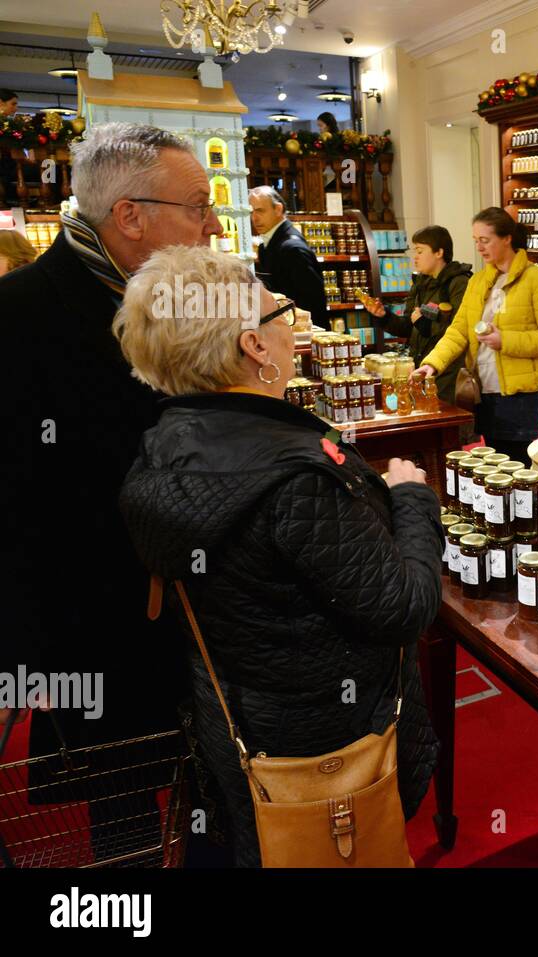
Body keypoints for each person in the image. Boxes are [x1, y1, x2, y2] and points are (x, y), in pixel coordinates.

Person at [114, 245, 442, 867]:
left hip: (238, 726)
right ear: (253, 348)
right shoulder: (298, 479)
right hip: (327, 742)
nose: (293, 328)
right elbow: (403, 607)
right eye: (280, 315)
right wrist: (410, 500)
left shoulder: (166, 442)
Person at [3, 123, 223, 858]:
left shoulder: (165, 302)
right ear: (130, 216)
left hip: (186, 602)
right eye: (196, 205)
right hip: (89, 617)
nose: (212, 225)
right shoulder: (18, 314)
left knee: (205, 776)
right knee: (121, 798)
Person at [414, 207, 538, 464]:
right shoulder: (479, 281)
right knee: (495, 467)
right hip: (484, 392)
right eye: (476, 241)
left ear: (506, 238)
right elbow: (459, 330)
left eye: (485, 240)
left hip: (521, 396)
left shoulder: (535, 278)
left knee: (519, 468)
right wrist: (432, 363)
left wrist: (505, 340)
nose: (480, 248)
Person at [365, 225, 472, 403]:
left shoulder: (459, 283)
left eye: (420, 251)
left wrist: (425, 324)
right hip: (421, 369)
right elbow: (408, 327)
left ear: (439, 252)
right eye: (415, 251)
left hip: (448, 374)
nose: (415, 257)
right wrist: (384, 315)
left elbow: (459, 330)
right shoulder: (421, 283)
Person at [249, 185, 328, 326]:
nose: (254, 218)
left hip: (302, 333)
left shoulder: (293, 249)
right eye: (251, 212)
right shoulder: (267, 246)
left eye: (260, 211)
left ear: (278, 209)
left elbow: (313, 304)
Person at [317, 113, 340, 189]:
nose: (319, 129)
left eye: (321, 125)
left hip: (335, 173)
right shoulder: (321, 140)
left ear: (329, 125)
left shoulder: (336, 140)